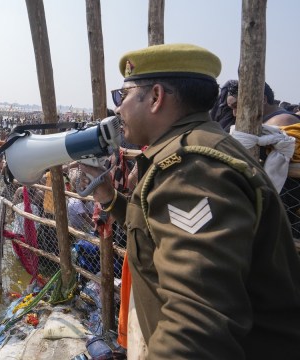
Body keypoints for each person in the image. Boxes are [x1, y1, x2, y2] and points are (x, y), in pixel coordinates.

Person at [80, 43, 300, 358]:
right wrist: (110, 199)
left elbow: (197, 323)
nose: (117, 109)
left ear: (155, 97)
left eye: (122, 96)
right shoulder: (192, 149)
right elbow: (157, 231)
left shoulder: (193, 170)